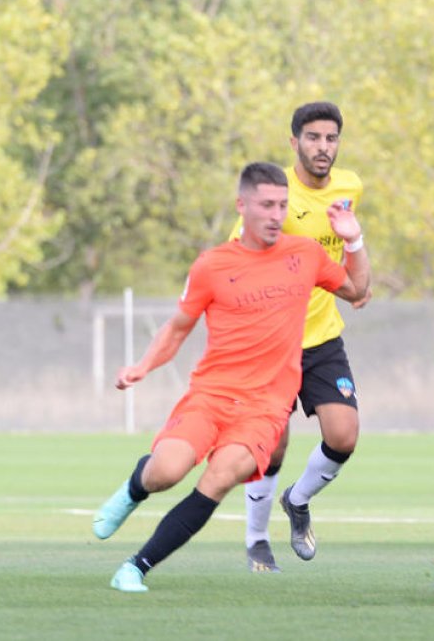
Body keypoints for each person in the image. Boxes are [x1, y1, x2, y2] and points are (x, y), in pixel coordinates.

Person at [91, 162, 370, 592]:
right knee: (166, 470)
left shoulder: (305, 255)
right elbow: (177, 328)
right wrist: (142, 366)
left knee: (219, 477)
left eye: (282, 205)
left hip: (265, 408)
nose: (276, 214)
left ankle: (137, 566)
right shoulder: (212, 265)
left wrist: (353, 240)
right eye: (266, 205)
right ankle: (133, 490)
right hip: (212, 395)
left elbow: (358, 291)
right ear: (242, 206)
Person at [233, 102, 369, 573]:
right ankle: (256, 539)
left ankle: (298, 499)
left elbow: (351, 271)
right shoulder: (275, 194)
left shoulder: (349, 187)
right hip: (273, 343)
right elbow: (238, 255)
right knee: (273, 444)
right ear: (294, 143)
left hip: (323, 338)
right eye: (313, 138)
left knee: (344, 435)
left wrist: (354, 261)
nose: (323, 147)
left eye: (331, 138)